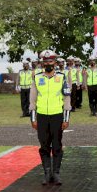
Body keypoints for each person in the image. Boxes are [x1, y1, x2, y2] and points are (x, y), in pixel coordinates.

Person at [30, 50, 70, 185]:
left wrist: (66, 118)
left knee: (57, 145)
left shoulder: (62, 76)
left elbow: (67, 98)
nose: (48, 63)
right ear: (42, 63)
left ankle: (56, 173)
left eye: (50, 61)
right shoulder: (37, 76)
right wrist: (33, 118)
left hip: (57, 116)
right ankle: (47, 173)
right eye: (45, 61)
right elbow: (33, 99)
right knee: (44, 145)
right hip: (41, 116)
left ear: (55, 62)